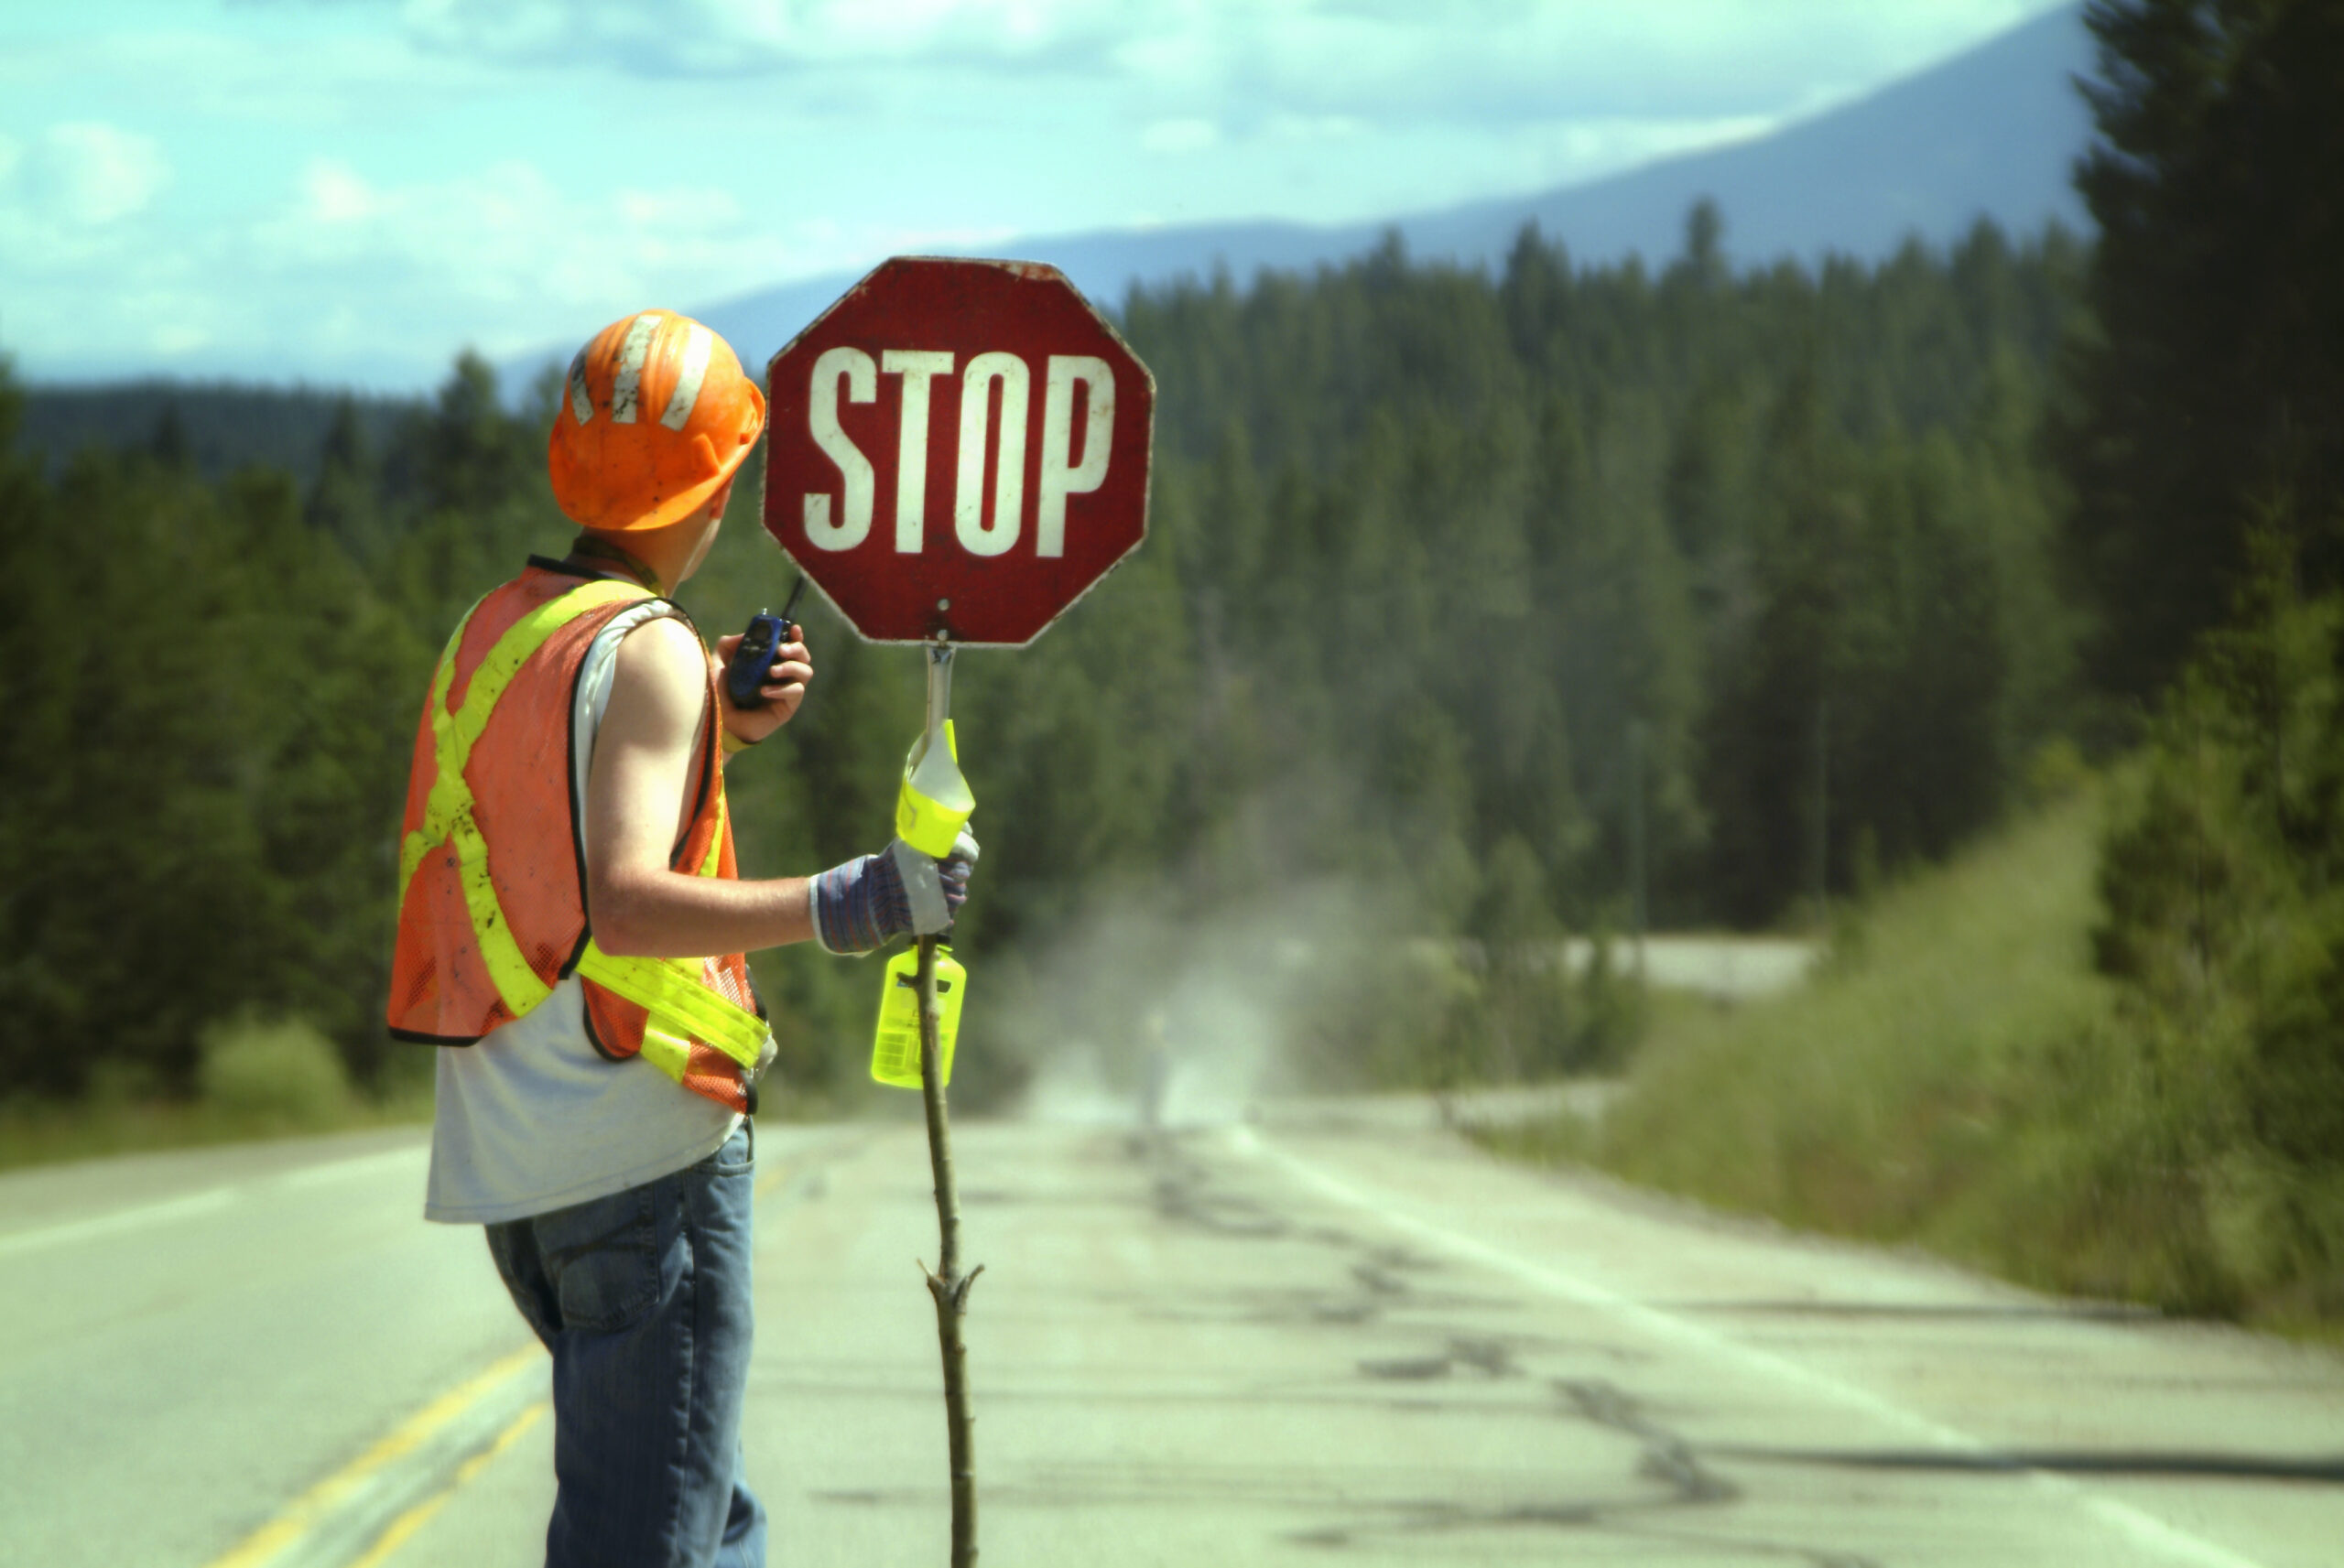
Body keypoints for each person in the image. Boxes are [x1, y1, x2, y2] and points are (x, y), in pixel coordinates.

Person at [386, 308, 976, 1568]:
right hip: (639, 1157)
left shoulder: (505, 627)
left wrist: (718, 716)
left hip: (519, 1164)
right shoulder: (646, 651)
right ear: (709, 496)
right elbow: (628, 898)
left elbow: (549, 824)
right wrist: (850, 899)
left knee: (707, 1518)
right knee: (653, 1541)